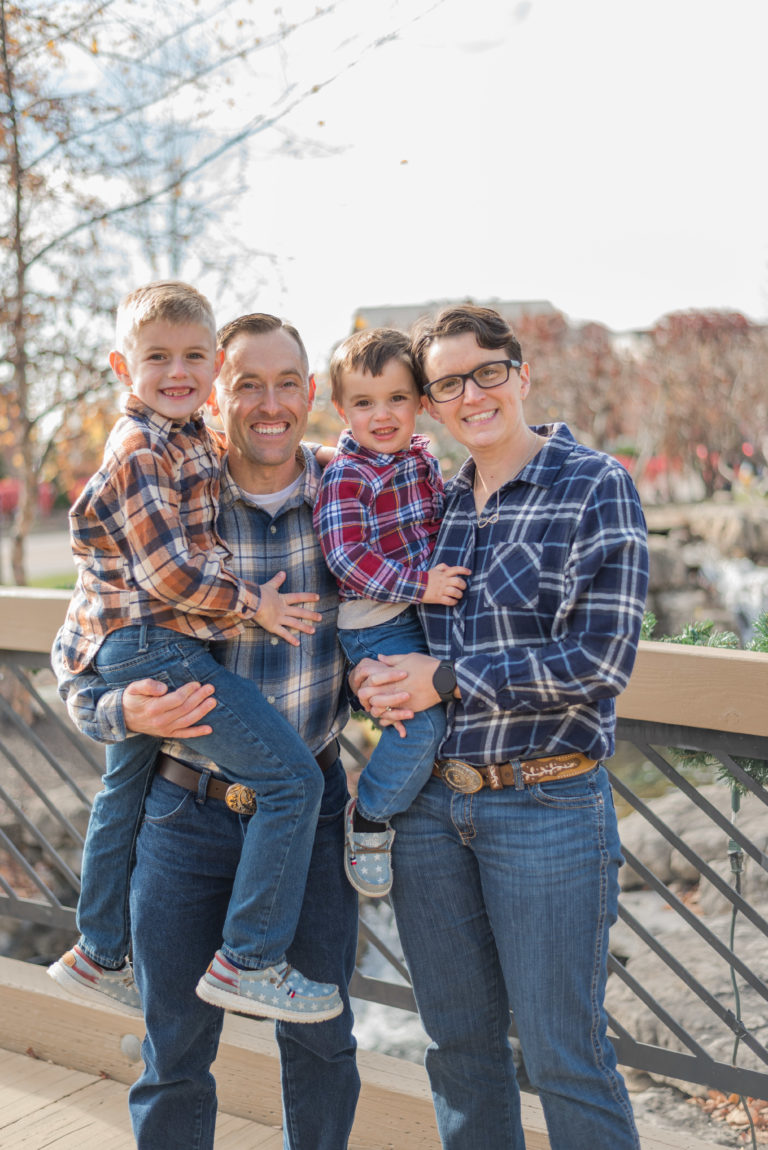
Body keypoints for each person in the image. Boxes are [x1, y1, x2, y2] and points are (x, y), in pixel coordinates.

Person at [52, 312, 360, 1149]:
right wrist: (117, 713)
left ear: (310, 394)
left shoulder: (349, 497)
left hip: (311, 808)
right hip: (185, 812)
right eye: (248, 384)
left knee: (325, 1041)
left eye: (286, 383)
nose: (270, 403)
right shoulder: (170, 495)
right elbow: (83, 646)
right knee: (175, 1053)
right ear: (217, 395)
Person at [351, 304, 650, 1150]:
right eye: (448, 384)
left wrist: (443, 678)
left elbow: (600, 662)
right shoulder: (439, 505)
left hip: (546, 809)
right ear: (435, 405)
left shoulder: (595, 484)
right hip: (429, 814)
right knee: (460, 1052)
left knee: (565, 1054)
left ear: (520, 375)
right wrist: (375, 679)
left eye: (485, 372)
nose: (470, 394)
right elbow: (384, 617)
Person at [313, 327, 470, 896]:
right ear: (340, 409)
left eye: (397, 399)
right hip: (376, 618)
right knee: (417, 724)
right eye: (364, 402)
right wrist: (421, 585)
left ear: (421, 402)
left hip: (416, 611)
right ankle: (370, 815)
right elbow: (347, 559)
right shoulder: (348, 476)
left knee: (442, 711)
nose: (382, 415)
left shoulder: (421, 459)